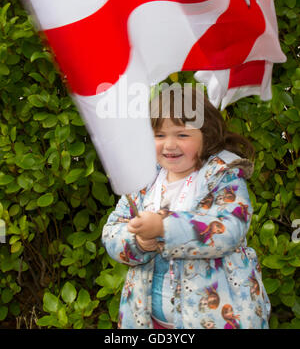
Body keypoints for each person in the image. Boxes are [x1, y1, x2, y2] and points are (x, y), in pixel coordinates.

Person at [101, 85, 271, 329]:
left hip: (214, 318)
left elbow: (230, 229)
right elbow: (112, 231)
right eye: (159, 135)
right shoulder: (142, 181)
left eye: (182, 135)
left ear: (207, 135)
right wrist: (138, 242)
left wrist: (164, 227)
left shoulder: (222, 176)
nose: (169, 145)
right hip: (148, 317)